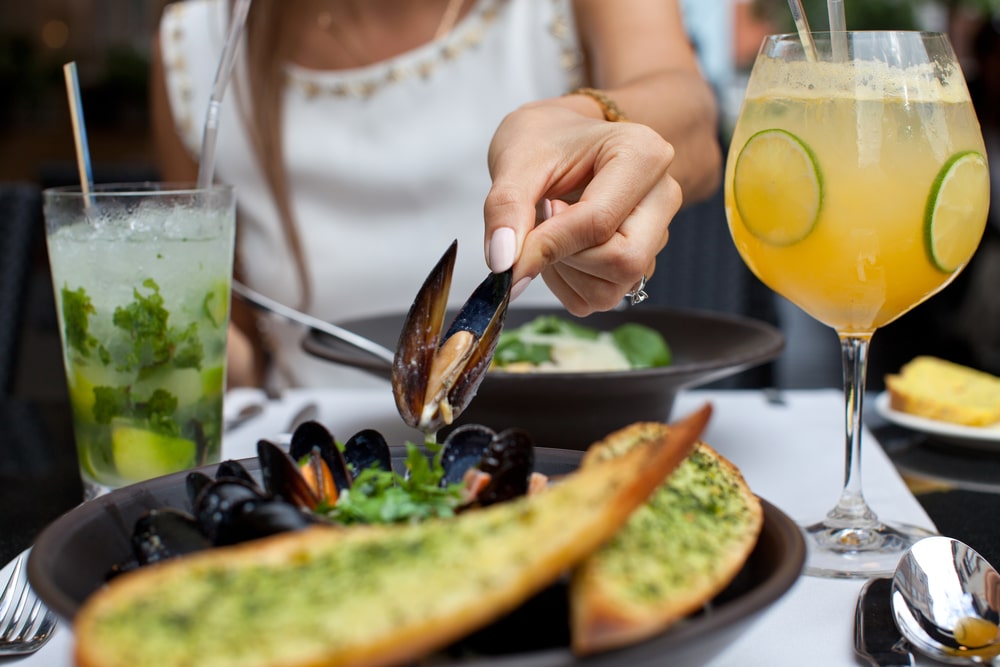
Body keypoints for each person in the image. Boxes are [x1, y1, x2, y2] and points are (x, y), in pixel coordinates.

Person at [150, 0, 722, 391]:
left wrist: (581, 117)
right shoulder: (195, 45)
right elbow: (234, 337)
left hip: (569, 437)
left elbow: (695, 123)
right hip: (323, 465)